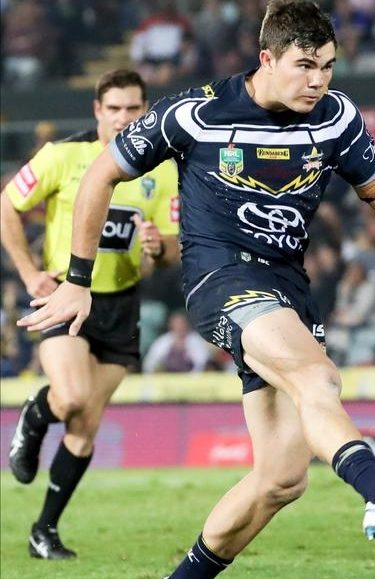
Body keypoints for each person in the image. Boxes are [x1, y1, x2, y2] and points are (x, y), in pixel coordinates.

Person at [17, 2, 375, 577]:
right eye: (305, 66)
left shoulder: (336, 117)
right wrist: (77, 279)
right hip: (222, 277)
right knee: (317, 378)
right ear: (267, 60)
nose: (318, 80)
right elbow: (102, 174)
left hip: (287, 287)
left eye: (327, 66)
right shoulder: (196, 113)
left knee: (281, 479)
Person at [2, 69, 180, 559]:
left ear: (145, 111)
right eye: (114, 108)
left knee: (87, 424)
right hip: (66, 295)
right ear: (97, 110)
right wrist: (28, 273)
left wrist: (158, 248)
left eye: (133, 109)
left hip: (121, 304)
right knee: (73, 396)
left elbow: (171, 251)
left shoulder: (162, 171)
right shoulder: (62, 156)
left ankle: (44, 532)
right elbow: (6, 205)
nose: (124, 118)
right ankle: (35, 416)